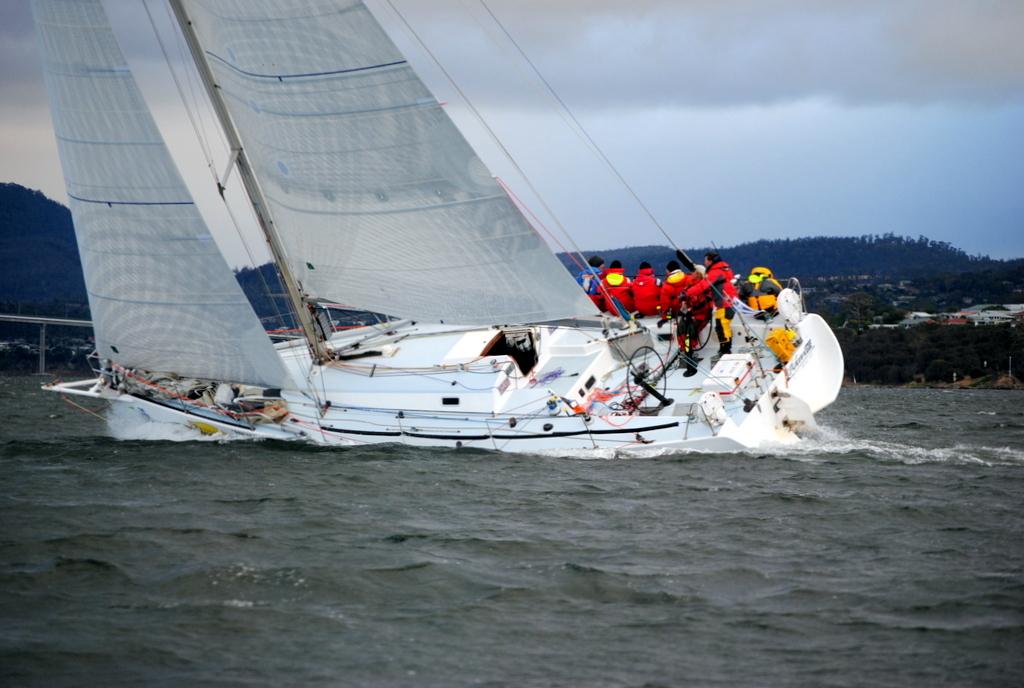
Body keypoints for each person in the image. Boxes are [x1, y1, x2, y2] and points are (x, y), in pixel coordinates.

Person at [704, 251, 737, 355]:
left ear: (710, 261)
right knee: (722, 326)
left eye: (706, 260)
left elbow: (703, 285)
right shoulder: (725, 269)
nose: (704, 263)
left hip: (723, 303)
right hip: (727, 302)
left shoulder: (715, 272)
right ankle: (725, 347)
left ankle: (725, 349)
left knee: (722, 327)